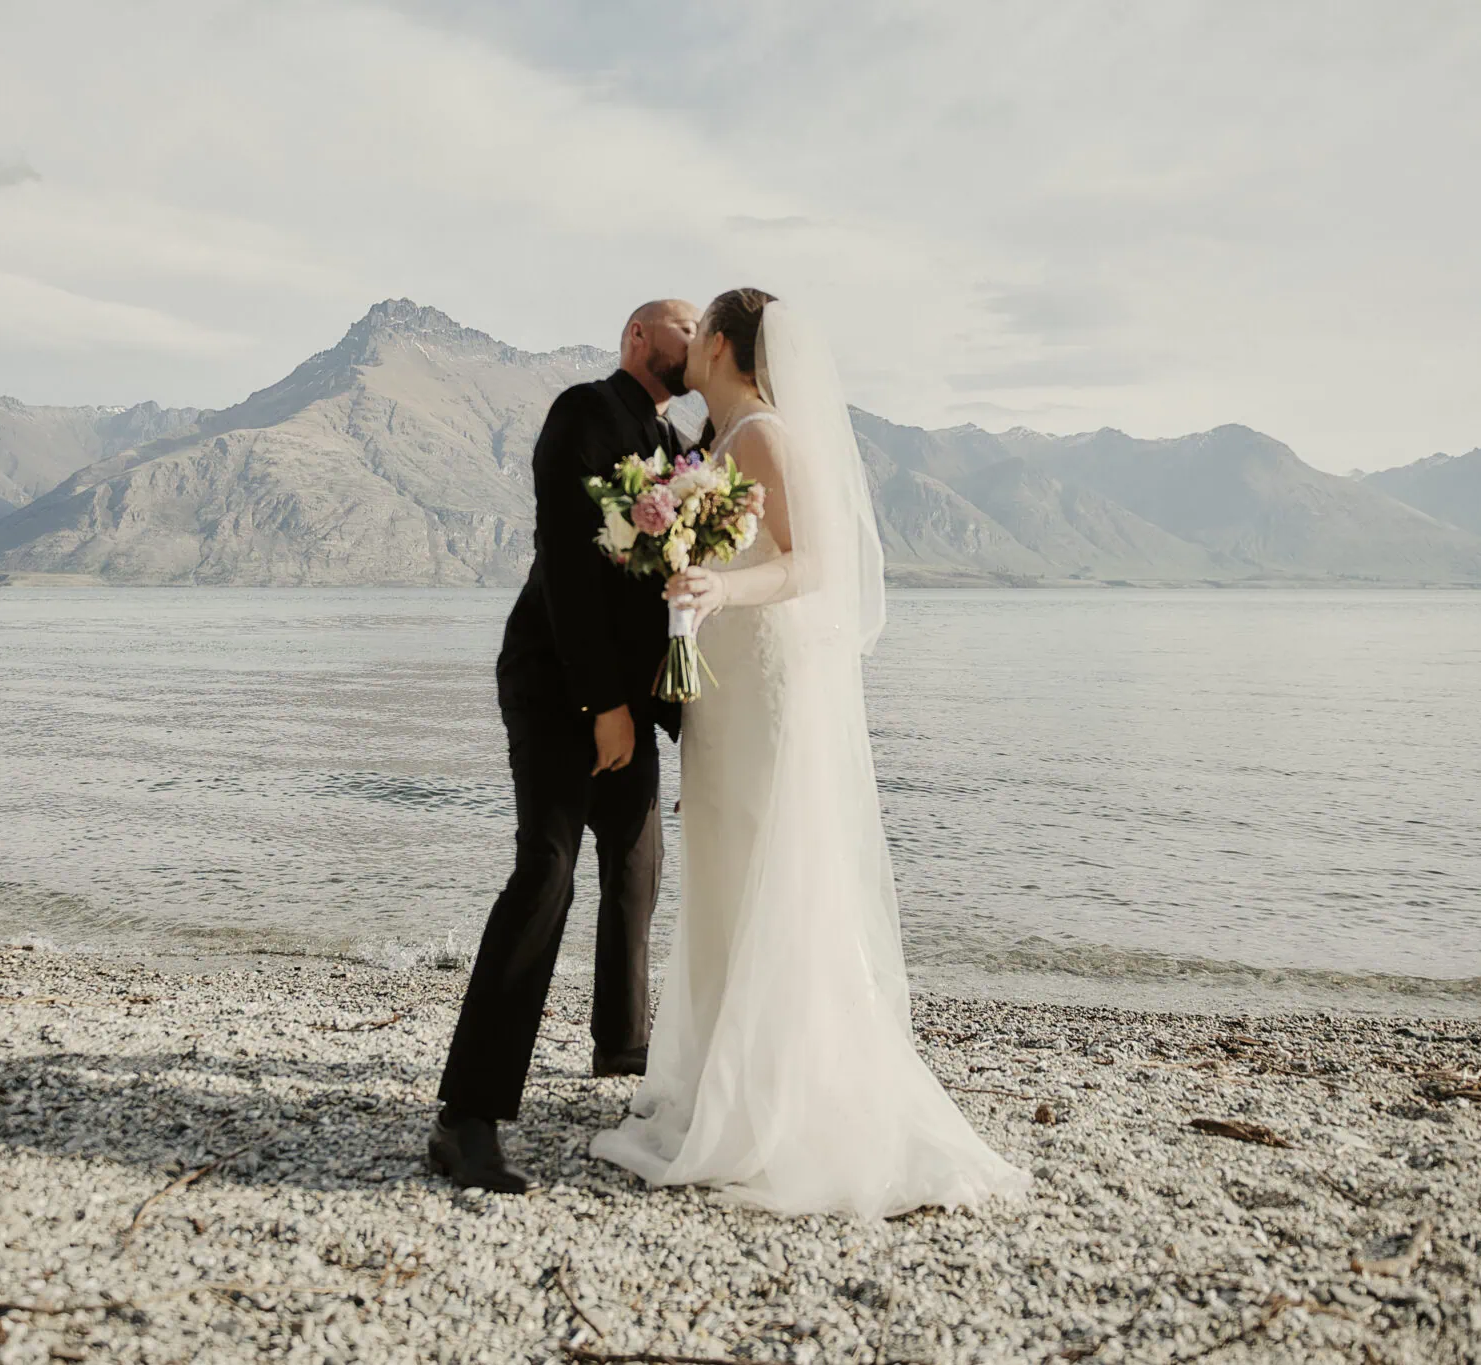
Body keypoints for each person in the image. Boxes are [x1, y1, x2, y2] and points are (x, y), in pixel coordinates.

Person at [588, 289, 1030, 1218]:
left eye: (696, 330)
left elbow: (812, 563)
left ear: (717, 344)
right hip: (727, 687)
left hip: (765, 683)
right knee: (726, 865)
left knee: (766, 868)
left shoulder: (761, 434)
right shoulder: (722, 439)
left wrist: (719, 588)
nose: (690, 345)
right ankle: (728, 1079)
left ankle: (782, 1097)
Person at [429, 299, 702, 1194]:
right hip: (556, 685)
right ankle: (466, 1117)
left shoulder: (682, 448)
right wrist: (601, 705)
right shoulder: (583, 412)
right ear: (637, 339)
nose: (695, 340)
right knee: (545, 871)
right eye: (682, 328)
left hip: (625, 701)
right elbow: (574, 567)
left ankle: (622, 1051)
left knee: (638, 862)